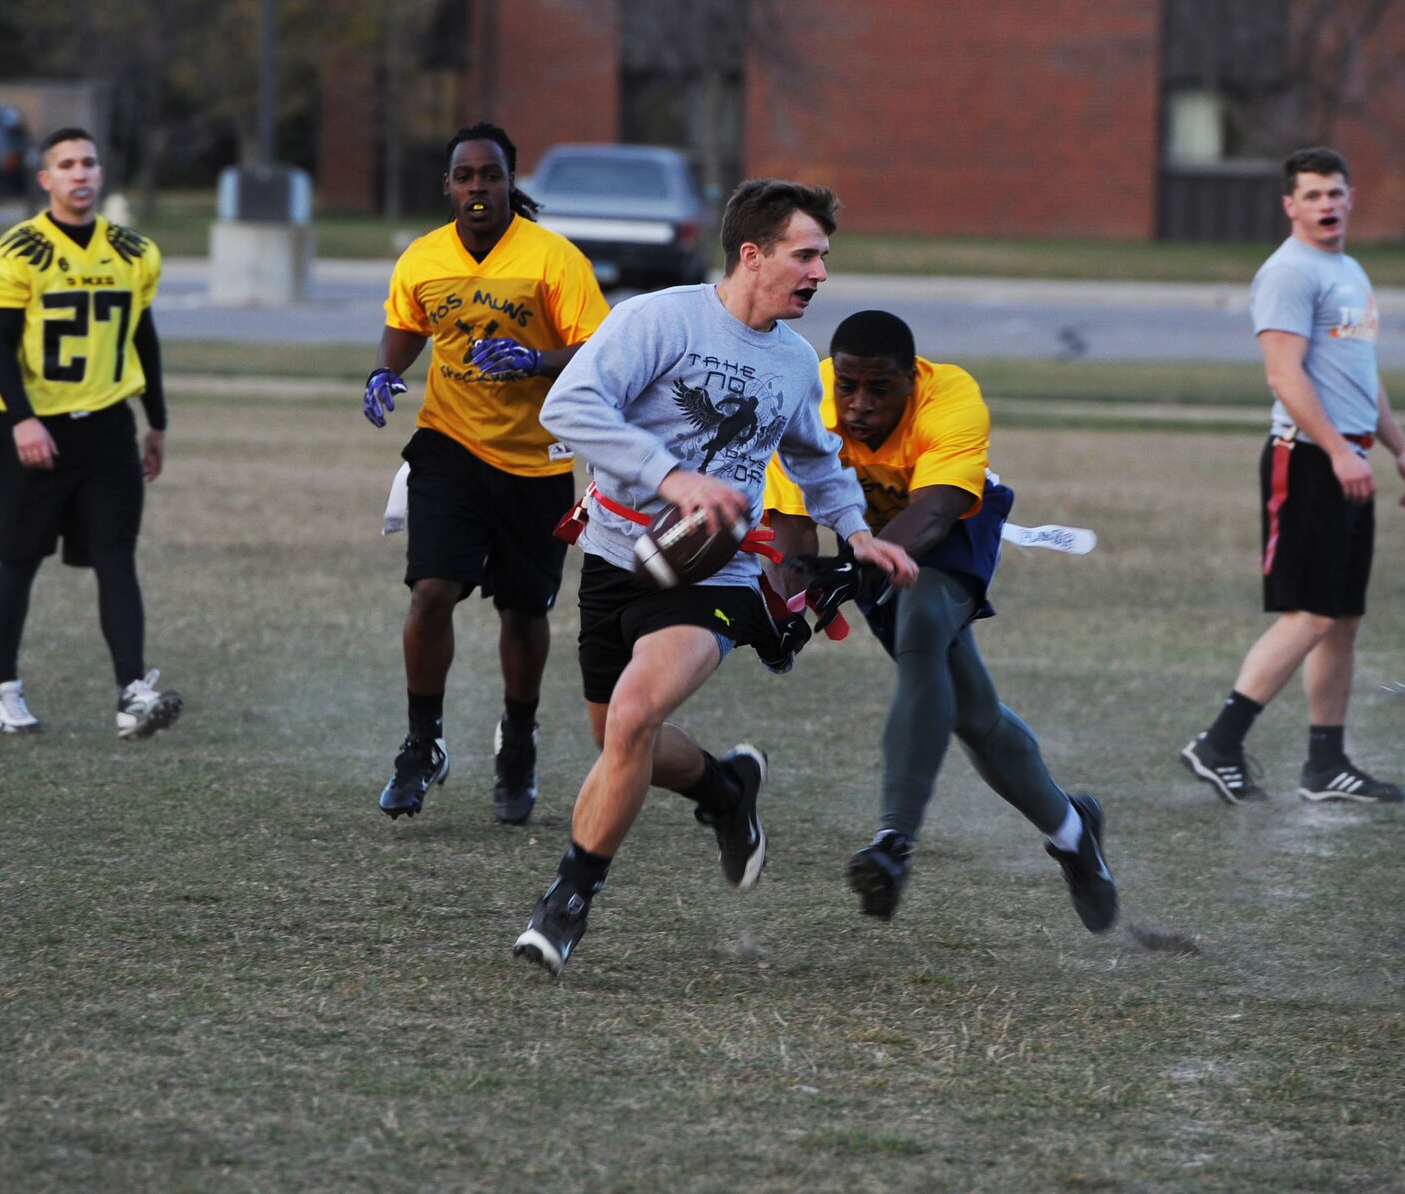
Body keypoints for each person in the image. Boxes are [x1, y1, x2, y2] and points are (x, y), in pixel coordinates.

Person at [512, 179, 917, 976]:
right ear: (752, 254)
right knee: (616, 738)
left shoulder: (798, 362)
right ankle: (727, 789)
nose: (820, 273)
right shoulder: (658, 319)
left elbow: (816, 458)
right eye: (806, 254)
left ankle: (567, 900)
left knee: (631, 716)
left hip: (719, 571)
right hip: (617, 553)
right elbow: (570, 404)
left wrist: (862, 532)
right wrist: (673, 478)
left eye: (824, 257)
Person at [763, 309, 1117, 931]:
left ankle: (894, 843)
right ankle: (1071, 829)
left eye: (880, 388)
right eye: (849, 386)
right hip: (866, 541)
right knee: (972, 714)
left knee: (924, 617)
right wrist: (789, 609)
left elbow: (933, 512)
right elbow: (790, 534)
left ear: (912, 378)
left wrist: (855, 566)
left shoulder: (950, 393)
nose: (860, 405)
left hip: (949, 526)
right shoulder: (804, 400)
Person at [362, 122, 610, 825]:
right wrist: (385, 371)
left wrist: (535, 361)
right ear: (447, 185)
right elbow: (409, 321)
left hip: (537, 457)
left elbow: (598, 346)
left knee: (524, 611)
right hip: (449, 443)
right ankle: (422, 743)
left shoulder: (551, 259)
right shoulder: (423, 256)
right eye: (465, 176)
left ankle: (520, 742)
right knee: (431, 590)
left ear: (510, 181)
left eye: (491, 176)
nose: (478, 188)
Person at [1180, 147, 1405, 805]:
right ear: (1290, 205)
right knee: (1310, 612)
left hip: (1348, 456)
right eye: (1312, 195)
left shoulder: (1348, 269)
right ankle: (1219, 742)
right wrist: (1341, 451)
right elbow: (1283, 375)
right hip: (1310, 457)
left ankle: (1326, 763)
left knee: (1342, 618)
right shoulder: (1287, 272)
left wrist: (1397, 447)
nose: (1326, 205)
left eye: (1335, 193)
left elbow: (1360, 378)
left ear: (1350, 197)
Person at [0, 126, 182, 740]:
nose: (80, 173)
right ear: (47, 179)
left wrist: (157, 421)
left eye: (89, 162)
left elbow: (143, 338)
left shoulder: (133, 251)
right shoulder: (14, 251)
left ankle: (132, 694)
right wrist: (23, 418)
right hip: (35, 430)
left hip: (110, 428)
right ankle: (2, 689)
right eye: (66, 164)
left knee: (117, 558)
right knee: (18, 560)